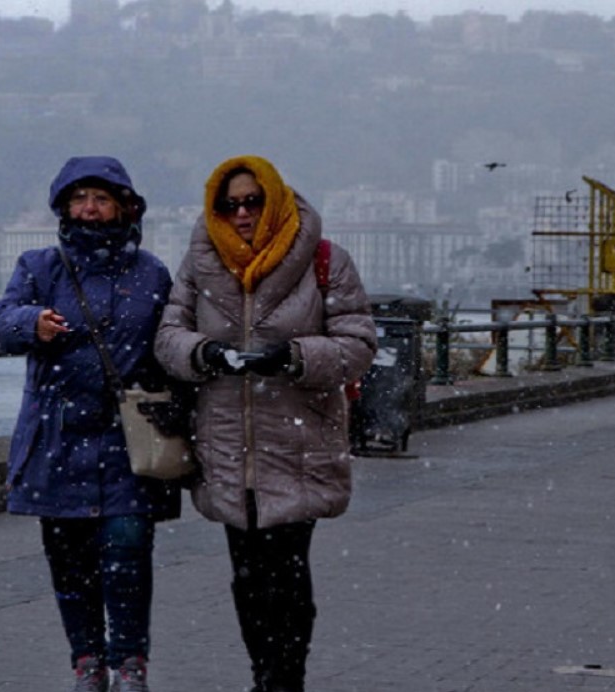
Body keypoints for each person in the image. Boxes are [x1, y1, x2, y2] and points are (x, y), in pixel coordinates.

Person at [153, 155, 377, 692]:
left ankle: (283, 680)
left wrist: (294, 356)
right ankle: (265, 676)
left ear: (273, 200)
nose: (242, 214)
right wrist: (206, 353)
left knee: (286, 574)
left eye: (253, 201)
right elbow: (168, 336)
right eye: (229, 205)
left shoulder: (325, 260)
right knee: (247, 578)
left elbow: (359, 345)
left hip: (297, 444)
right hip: (228, 448)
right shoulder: (200, 263)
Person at [0, 156, 180, 692]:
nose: (90, 209)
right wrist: (33, 323)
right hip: (57, 437)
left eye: (101, 198)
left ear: (123, 206)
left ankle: (130, 662)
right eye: (79, 199)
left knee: (128, 551)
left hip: (128, 440)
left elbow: (171, 341)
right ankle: (88, 661)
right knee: (69, 561)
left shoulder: (152, 273)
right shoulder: (39, 267)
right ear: (64, 208)